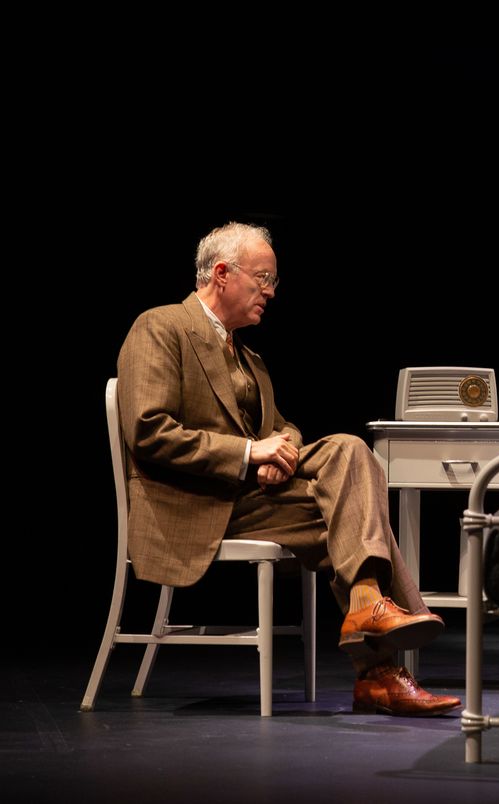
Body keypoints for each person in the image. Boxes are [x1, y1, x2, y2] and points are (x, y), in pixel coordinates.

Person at [117, 221, 460, 716]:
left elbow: (284, 426)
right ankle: (381, 665)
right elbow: (149, 432)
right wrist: (249, 454)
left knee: (347, 450)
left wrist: (284, 449)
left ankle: (370, 635)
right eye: (263, 279)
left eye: (273, 281)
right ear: (221, 274)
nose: (271, 293)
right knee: (355, 517)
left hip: (251, 500)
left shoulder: (250, 358)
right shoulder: (160, 326)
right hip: (194, 503)